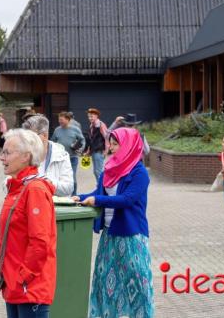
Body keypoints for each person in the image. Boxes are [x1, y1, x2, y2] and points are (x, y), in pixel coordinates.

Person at [73, 127, 154, 318]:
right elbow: (98, 194)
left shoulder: (139, 173)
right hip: (109, 235)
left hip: (132, 234)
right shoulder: (109, 169)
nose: (111, 147)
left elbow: (127, 199)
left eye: (116, 143)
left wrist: (98, 201)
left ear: (128, 145)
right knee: (105, 282)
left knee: (136, 282)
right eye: (111, 142)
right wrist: (80, 197)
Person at [0, 129, 57, 318]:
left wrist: (22, 277)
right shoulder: (17, 186)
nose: (1, 157)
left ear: (26, 156)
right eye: (2, 152)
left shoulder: (34, 190)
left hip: (29, 287)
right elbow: (12, 223)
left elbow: (40, 242)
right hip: (14, 284)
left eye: (7, 153)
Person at [22, 114, 74, 197]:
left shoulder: (61, 155)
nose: (27, 141)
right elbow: (7, 184)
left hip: (55, 208)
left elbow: (68, 188)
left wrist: (44, 182)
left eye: (31, 136)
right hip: (29, 206)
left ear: (45, 135)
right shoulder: (22, 153)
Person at [51, 111, 85, 195]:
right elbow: (52, 141)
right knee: (59, 178)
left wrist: (81, 148)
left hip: (72, 158)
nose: (60, 121)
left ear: (68, 119)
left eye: (61, 120)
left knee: (72, 178)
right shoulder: (57, 130)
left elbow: (82, 140)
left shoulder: (75, 129)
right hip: (60, 158)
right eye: (59, 120)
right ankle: (61, 196)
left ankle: (74, 196)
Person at [84, 108, 109, 181]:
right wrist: (89, 150)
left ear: (96, 116)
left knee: (98, 171)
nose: (89, 118)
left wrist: (106, 151)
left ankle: (102, 188)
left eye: (91, 116)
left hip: (99, 151)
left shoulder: (101, 125)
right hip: (94, 151)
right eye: (88, 116)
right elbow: (92, 139)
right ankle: (100, 187)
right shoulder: (91, 125)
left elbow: (106, 137)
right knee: (96, 171)